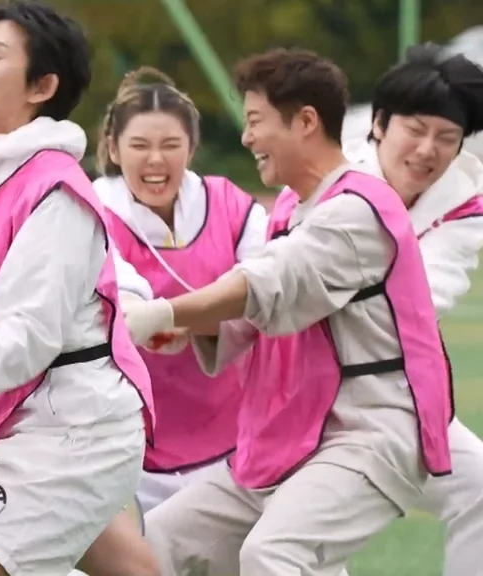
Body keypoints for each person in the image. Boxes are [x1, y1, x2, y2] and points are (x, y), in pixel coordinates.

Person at [133, 47, 453, 576]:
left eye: (256, 120)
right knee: (153, 548)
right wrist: (184, 324)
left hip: (368, 435)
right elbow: (253, 312)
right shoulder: (292, 210)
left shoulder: (356, 211)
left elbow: (268, 282)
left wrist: (163, 312)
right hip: (292, 434)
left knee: (273, 554)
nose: (246, 137)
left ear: (305, 121)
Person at [0, 2, 158, 575]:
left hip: (76, 429)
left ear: (42, 86)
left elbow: (25, 344)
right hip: (12, 421)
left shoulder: (56, 193)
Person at [92, 66, 267, 513]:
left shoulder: (232, 207)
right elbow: (111, 286)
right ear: (113, 148)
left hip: (231, 439)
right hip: (124, 446)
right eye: (139, 145)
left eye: (171, 145)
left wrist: (179, 320)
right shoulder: (91, 208)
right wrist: (144, 317)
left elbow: (266, 292)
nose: (156, 159)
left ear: (191, 146)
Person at [343, 43, 483, 576]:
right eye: (416, 130)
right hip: (298, 398)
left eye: (447, 137)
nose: (428, 150)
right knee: (284, 544)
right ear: (379, 124)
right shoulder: (330, 180)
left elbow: (419, 304)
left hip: (396, 400)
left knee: (478, 489)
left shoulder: (464, 203)